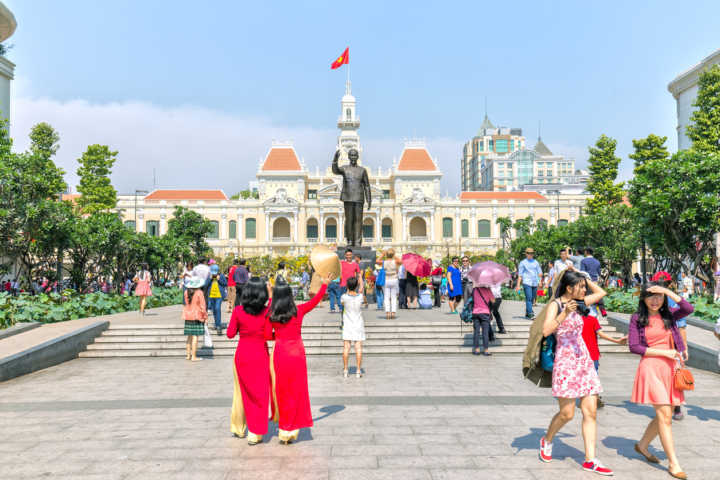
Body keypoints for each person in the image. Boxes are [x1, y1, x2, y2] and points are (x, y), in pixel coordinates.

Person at [539, 271, 613, 476]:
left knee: (591, 411)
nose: (584, 290)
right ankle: (547, 440)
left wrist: (583, 277)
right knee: (567, 413)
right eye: (580, 286)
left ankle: (590, 459)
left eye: (583, 287)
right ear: (569, 288)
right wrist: (564, 313)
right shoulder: (556, 305)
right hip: (565, 363)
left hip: (584, 361)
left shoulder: (582, 302)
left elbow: (601, 292)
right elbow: (546, 331)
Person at [629, 282, 694, 480]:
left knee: (662, 416)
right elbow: (634, 347)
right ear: (643, 299)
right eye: (650, 296)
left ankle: (642, 445)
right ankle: (673, 463)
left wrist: (667, 291)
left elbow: (688, 308)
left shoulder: (670, 316)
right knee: (665, 415)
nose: (655, 300)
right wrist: (664, 352)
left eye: (659, 297)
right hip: (651, 367)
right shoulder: (637, 319)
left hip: (670, 369)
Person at [268, 276, 330, 444]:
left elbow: (267, 335)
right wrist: (324, 285)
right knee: (297, 390)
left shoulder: (271, 313)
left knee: (282, 391)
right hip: (297, 352)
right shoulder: (299, 310)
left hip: (280, 352)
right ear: (290, 296)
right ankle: (293, 428)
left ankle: (284, 429)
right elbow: (316, 300)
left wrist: (278, 334)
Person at [226, 276, 272, 444]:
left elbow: (230, 334)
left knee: (243, 393)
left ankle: (239, 426)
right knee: (260, 394)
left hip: (243, 355)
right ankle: (256, 432)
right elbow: (269, 335)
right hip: (260, 355)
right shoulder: (267, 311)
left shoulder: (238, 311)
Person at [581, 312, 628, 408]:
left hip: (577, 355)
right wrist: (617, 341)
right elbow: (601, 334)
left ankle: (587, 399)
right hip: (592, 353)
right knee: (593, 377)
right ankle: (593, 397)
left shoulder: (571, 320)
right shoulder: (592, 319)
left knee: (582, 377)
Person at [341, 276, 366, 378]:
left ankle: (346, 370)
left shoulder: (344, 297)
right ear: (356, 286)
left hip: (347, 324)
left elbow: (342, 304)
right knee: (358, 348)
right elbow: (363, 300)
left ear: (347, 286)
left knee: (346, 347)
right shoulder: (360, 297)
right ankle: (358, 371)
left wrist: (348, 289)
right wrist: (361, 282)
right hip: (358, 324)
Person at [182, 276, 207, 362]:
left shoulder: (186, 292)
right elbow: (203, 306)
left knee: (189, 336)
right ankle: (194, 356)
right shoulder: (199, 292)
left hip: (188, 315)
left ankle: (188, 355)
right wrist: (205, 317)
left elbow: (186, 303)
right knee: (195, 336)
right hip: (197, 316)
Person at [516, 248, 542, 319]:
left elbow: (539, 273)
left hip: (534, 283)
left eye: (532, 253)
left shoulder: (536, 262)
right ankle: (530, 313)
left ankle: (527, 312)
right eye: (529, 253)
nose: (530, 254)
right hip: (526, 282)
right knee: (529, 298)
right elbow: (520, 275)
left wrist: (540, 281)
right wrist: (518, 285)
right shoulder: (522, 263)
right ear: (526, 254)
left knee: (533, 298)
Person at [581, 248, 607, 317]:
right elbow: (599, 273)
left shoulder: (583, 261)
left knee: (587, 298)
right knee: (598, 296)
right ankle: (602, 309)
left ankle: (587, 313)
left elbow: (582, 272)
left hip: (587, 282)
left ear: (586, 252)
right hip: (595, 282)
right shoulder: (597, 261)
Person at [471, 283, 494, 356]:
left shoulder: (474, 290)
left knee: (476, 332)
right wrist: (490, 291)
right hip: (485, 313)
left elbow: (472, 299)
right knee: (485, 332)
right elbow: (493, 301)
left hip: (475, 313)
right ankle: (486, 350)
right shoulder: (488, 290)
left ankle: (477, 350)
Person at [339, 248, 360, 313]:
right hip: (343, 285)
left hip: (352, 286)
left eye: (350, 255)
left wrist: (359, 284)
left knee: (351, 303)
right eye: (347, 255)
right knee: (343, 304)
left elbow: (359, 275)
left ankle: (350, 318)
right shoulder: (341, 263)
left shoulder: (355, 264)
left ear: (352, 255)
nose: (349, 256)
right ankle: (344, 319)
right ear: (345, 255)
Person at [208, 269, 227, 334]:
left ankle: (219, 326)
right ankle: (216, 324)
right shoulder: (210, 276)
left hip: (219, 295)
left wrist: (219, 280)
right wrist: (210, 279)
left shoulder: (221, 276)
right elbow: (206, 285)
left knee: (217, 308)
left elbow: (225, 284)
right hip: (211, 295)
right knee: (214, 310)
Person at [382, 249, 399, 319]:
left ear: (387, 254)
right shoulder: (396, 262)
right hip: (394, 279)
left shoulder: (384, 262)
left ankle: (387, 313)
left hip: (386, 280)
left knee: (386, 297)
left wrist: (383, 254)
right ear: (393, 254)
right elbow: (401, 261)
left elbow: (376, 261)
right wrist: (394, 255)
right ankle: (393, 312)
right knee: (393, 297)